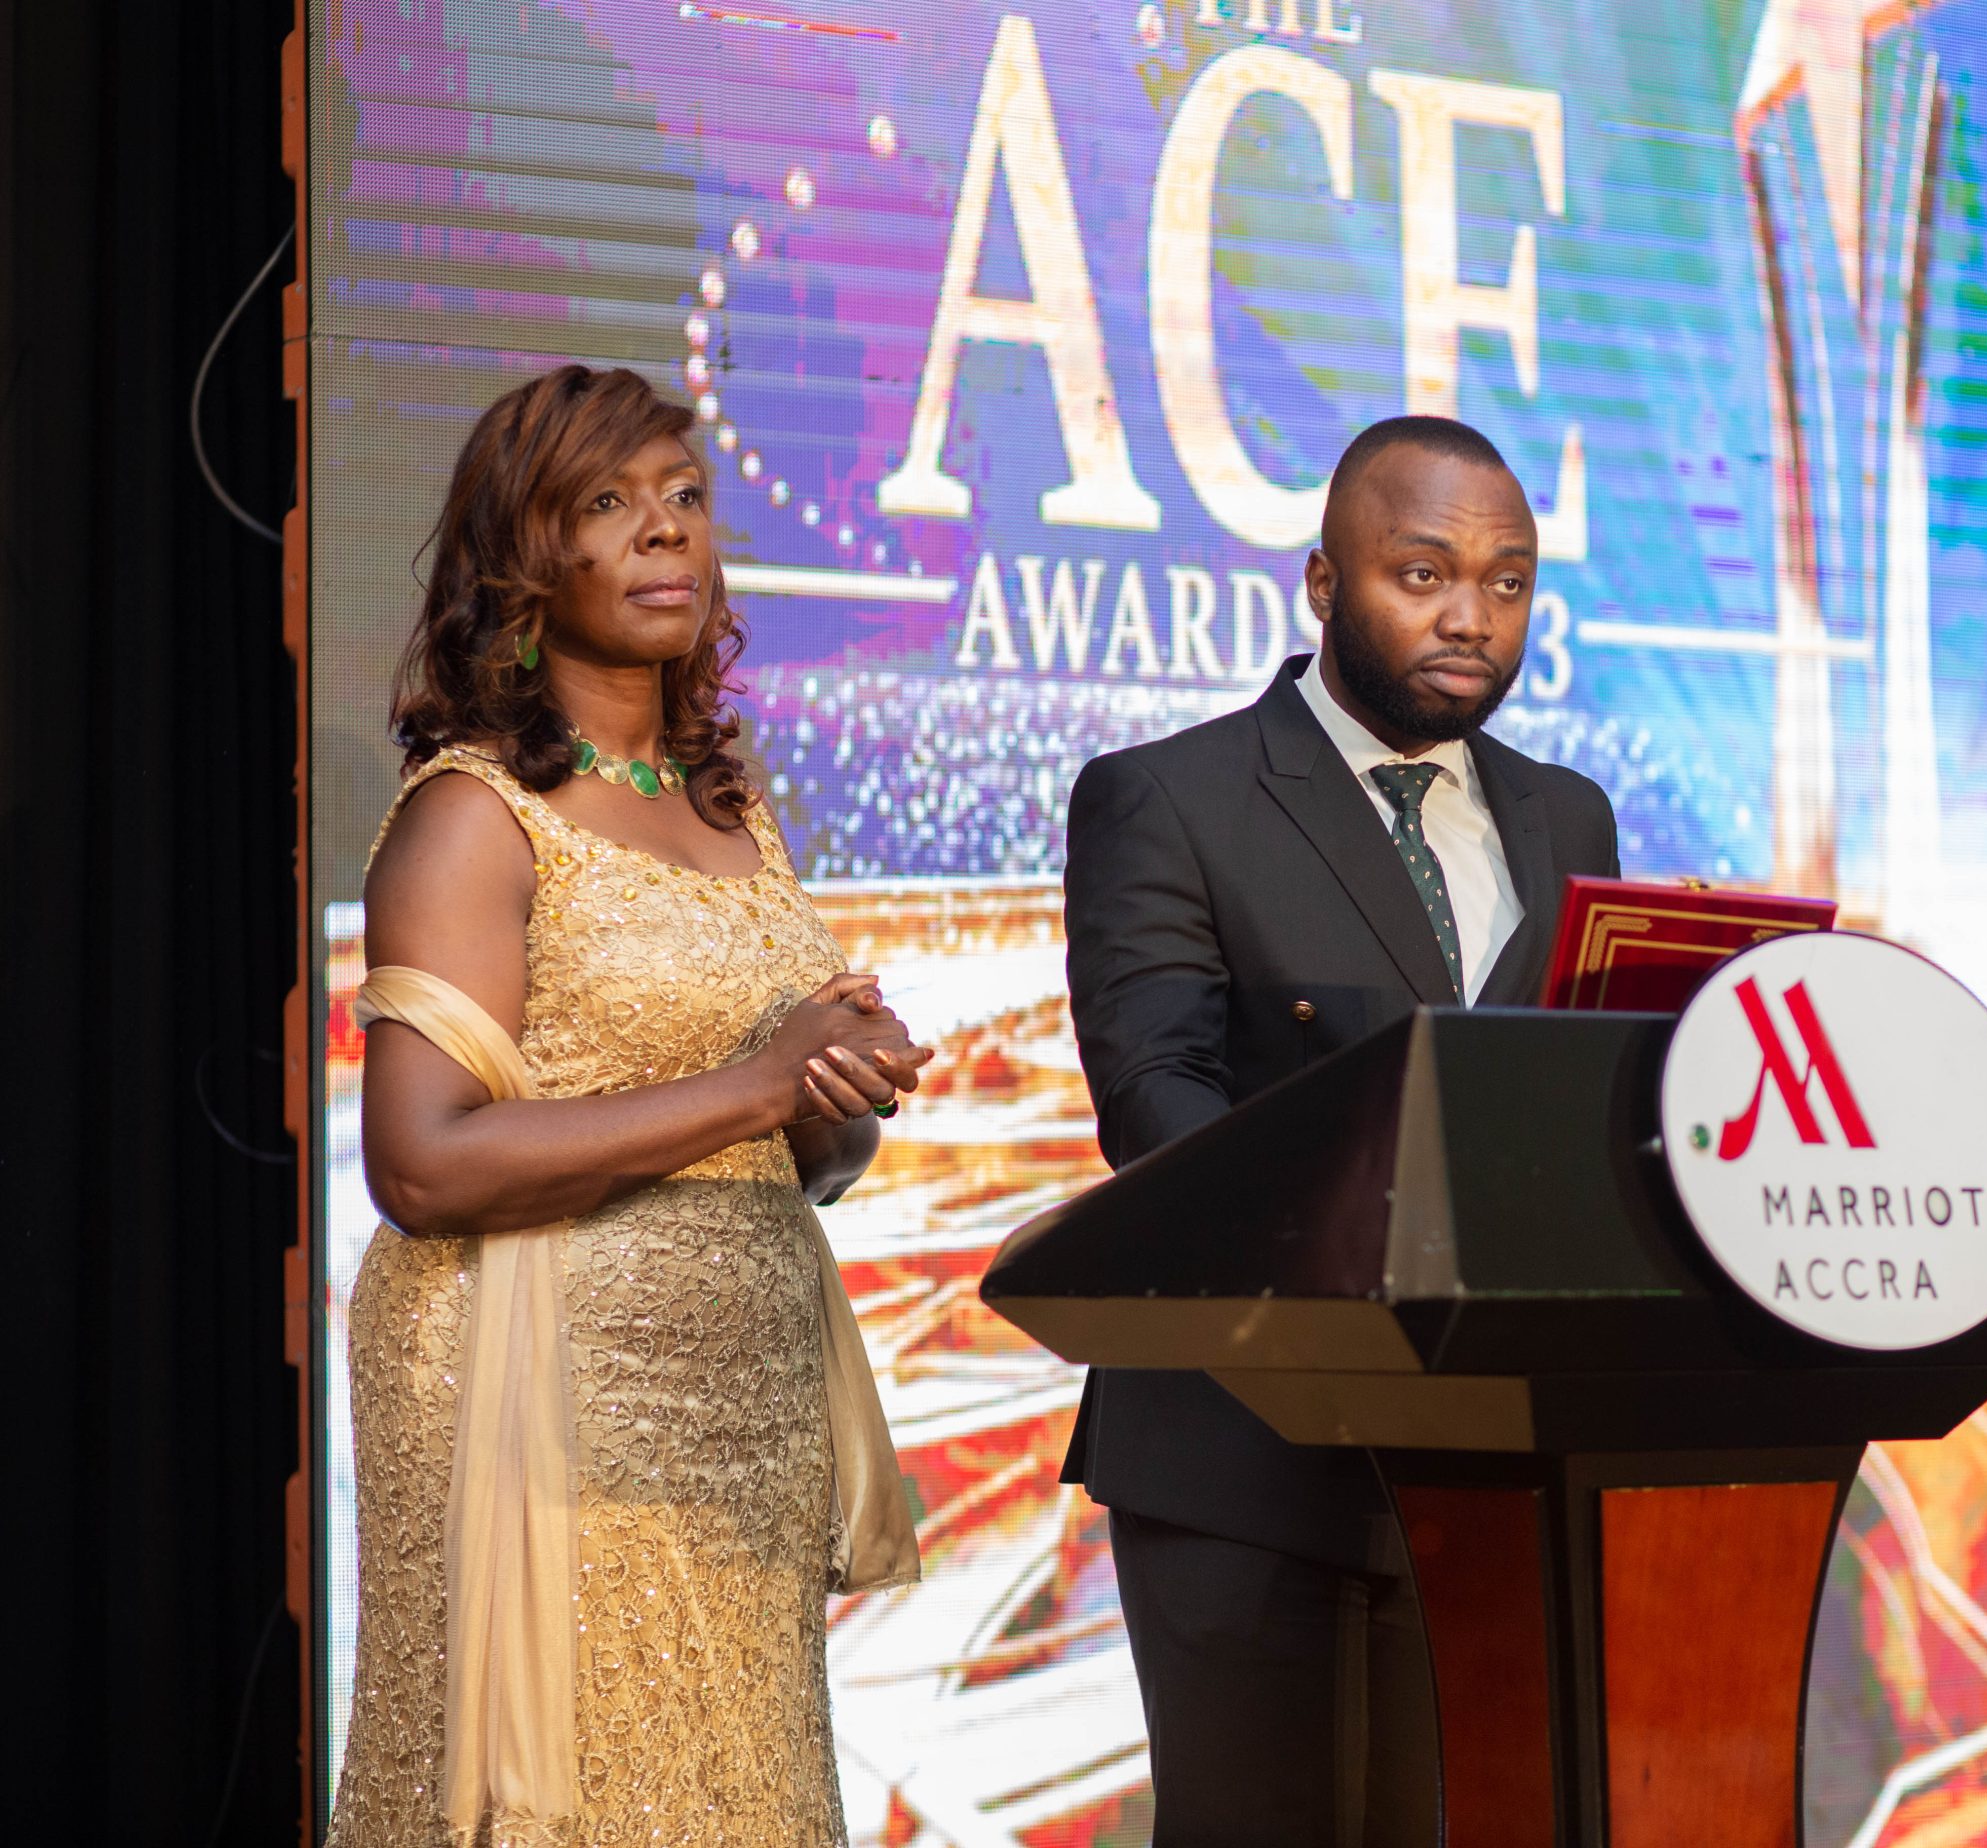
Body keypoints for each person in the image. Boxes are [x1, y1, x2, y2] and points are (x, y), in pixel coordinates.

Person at [329, 364, 931, 1846]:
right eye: (607, 502)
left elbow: (801, 1158)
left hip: (744, 1416)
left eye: (685, 497)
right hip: (537, 1405)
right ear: (523, 559)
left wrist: (834, 1083)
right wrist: (758, 1078)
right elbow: (422, 1163)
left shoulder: (730, 805)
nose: (666, 530)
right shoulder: (473, 815)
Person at [1061, 415, 1622, 1844]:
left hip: (1488, 1467)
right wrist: (1365, 1261)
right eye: (1423, 573)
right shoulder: (1166, 797)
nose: (1470, 616)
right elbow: (1157, 1105)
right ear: (1323, 584)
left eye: (1507, 582)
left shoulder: (1571, 819)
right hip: (1245, 1450)